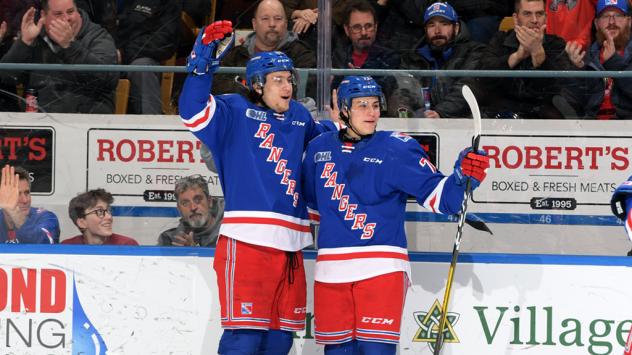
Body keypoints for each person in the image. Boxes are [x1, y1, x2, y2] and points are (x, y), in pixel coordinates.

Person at [301, 76, 489, 353]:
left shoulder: (397, 148)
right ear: (343, 109)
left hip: (381, 268)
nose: (372, 112)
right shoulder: (319, 148)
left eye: (376, 105)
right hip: (330, 270)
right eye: (362, 105)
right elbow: (313, 206)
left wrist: (462, 176)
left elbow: (442, 197)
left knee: (376, 350)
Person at [178, 20, 335, 354]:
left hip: (292, 244)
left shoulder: (299, 117)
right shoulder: (234, 110)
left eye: (288, 78)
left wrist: (341, 127)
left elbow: (326, 150)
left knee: (280, 340)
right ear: (256, 84)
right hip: (247, 242)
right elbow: (192, 111)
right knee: (244, 338)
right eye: (277, 79)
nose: (287, 86)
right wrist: (202, 62)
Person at [0, 0, 118, 113]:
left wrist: (70, 46)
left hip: (86, 122)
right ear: (43, 16)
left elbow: (108, 79)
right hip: (41, 125)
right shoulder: (36, 38)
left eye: (71, 11)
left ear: (78, 11)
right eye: (58, 14)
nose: (67, 18)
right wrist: (24, 43)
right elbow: (7, 78)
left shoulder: (98, 37)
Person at [479, 0, 577, 119]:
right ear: (516, 18)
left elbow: (560, 90)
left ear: (545, 17)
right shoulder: (500, 40)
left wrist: (540, 57)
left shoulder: (556, 44)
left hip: (543, 120)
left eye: (539, 14)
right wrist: (517, 57)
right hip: (501, 119)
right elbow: (483, 79)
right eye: (527, 14)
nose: (534, 20)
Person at [395, 2, 486, 118]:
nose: (437, 31)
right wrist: (405, 114)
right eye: (431, 25)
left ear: (456, 28)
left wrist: (440, 113)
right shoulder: (412, 58)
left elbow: (465, 88)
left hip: (461, 124)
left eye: (444, 24)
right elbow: (402, 91)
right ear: (425, 30)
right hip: (420, 124)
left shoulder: (475, 51)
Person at [212, 0, 316, 97]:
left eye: (278, 19)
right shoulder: (236, 55)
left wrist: (251, 91)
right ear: (254, 24)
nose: (272, 24)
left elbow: (306, 91)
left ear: (285, 24)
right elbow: (218, 88)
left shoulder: (301, 55)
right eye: (265, 19)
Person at [565, 0, 632, 119]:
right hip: (592, 126)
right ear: (596, 24)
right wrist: (577, 71)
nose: (612, 22)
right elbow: (575, 102)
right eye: (605, 16)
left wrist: (613, 62)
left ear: (629, 21)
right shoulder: (586, 56)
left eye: (618, 15)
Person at [114, 0, 181, 114]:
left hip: (139, 59)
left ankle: (151, 125)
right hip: (108, 54)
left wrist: (123, 53)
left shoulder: (169, 4)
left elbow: (164, 41)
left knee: (141, 67)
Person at [158, 175, 224, 247]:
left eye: (198, 200)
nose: (193, 208)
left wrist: (193, 252)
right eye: (185, 203)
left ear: (209, 202)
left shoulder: (230, 232)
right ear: (179, 209)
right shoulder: (169, 240)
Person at [0, 165, 60, 244]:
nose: (25, 200)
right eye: (17, 195)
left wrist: (14, 213)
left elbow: (44, 243)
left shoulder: (46, 217)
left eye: (27, 193)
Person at [64, 188, 138, 245]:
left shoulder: (126, 245)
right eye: (99, 211)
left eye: (108, 210)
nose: (109, 217)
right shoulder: (66, 247)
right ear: (82, 223)